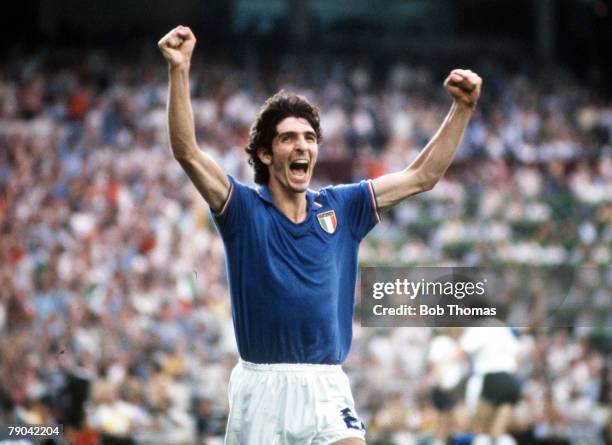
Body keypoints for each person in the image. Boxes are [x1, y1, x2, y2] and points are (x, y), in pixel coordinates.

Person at [157, 25, 482, 445]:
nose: (303, 146)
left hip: (327, 385)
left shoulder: (342, 207)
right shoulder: (241, 210)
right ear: (264, 152)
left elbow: (423, 175)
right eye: (289, 137)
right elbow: (187, 151)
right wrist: (179, 70)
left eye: (310, 138)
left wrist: (462, 109)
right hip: (262, 388)